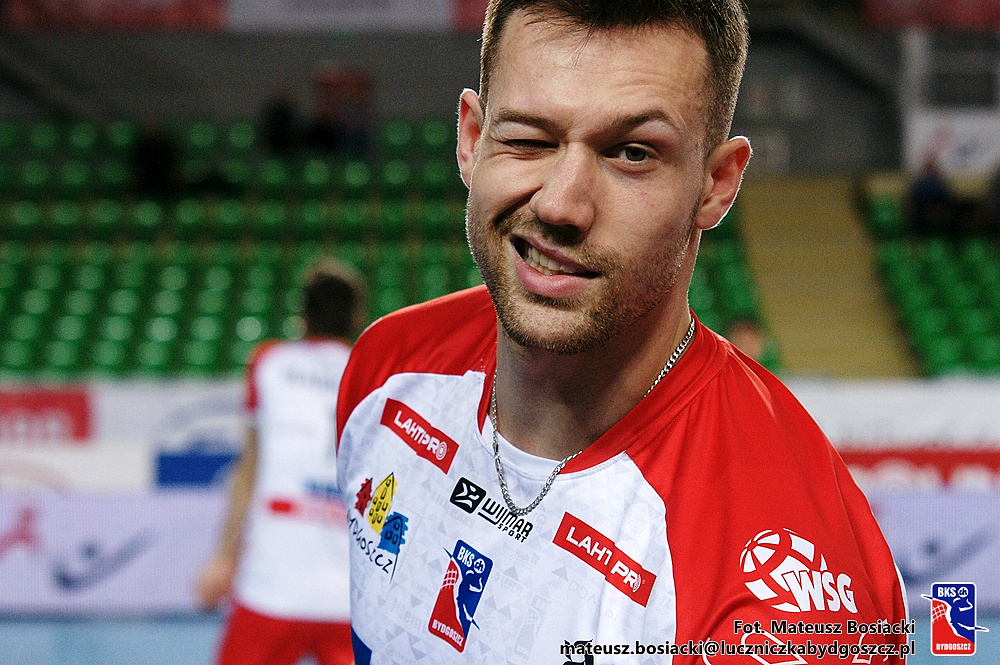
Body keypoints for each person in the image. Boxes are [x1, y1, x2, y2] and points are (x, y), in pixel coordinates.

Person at [336, 2, 908, 663]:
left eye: (632, 153)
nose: (560, 204)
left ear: (716, 185)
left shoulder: (780, 603)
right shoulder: (388, 371)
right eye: (528, 139)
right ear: (470, 139)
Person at [197, 260, 366, 665]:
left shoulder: (269, 362)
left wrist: (223, 556)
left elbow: (249, 468)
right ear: (356, 317)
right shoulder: (371, 371)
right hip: (351, 597)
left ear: (302, 315)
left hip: (271, 585)